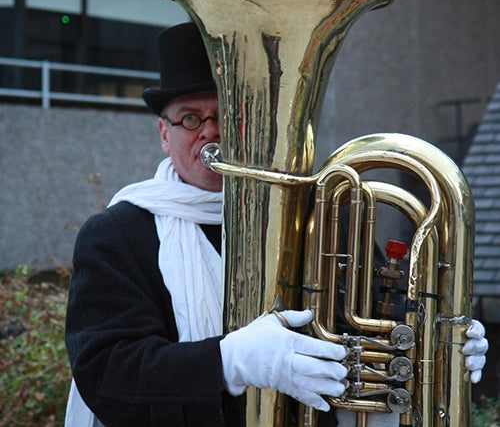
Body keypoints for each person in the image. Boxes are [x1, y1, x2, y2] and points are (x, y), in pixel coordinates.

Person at [65, 22, 488, 427]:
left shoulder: (324, 215)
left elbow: (378, 318)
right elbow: (107, 373)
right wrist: (230, 362)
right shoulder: (115, 235)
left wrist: (436, 340)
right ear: (164, 133)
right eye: (190, 118)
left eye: (227, 115)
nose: (210, 132)